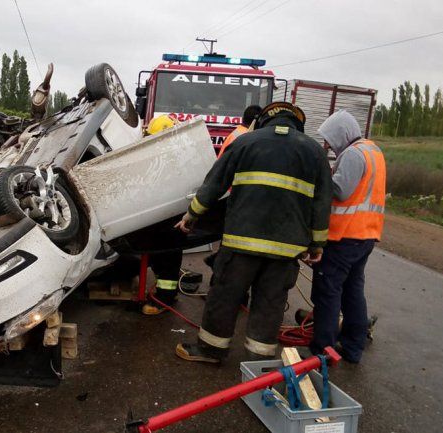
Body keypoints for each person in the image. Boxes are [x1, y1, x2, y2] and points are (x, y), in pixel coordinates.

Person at [173, 102, 332, 363]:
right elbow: (322, 203)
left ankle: (211, 351)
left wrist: (191, 216)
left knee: (225, 295)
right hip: (285, 250)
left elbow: (214, 184)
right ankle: (258, 362)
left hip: (241, 245)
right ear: (297, 124)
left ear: (263, 120)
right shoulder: (314, 153)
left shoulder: (246, 142)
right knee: (270, 303)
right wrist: (317, 244)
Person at [309, 110, 386, 364]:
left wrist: (319, 178)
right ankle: (353, 348)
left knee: (328, 292)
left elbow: (341, 190)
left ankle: (323, 352)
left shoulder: (353, 154)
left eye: (330, 139)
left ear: (342, 134)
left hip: (344, 237)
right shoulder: (372, 151)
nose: (328, 144)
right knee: (352, 292)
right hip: (365, 236)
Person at [140, 115, 199, 315]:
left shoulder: (175, 158)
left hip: (172, 219)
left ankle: (164, 300)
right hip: (163, 217)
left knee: (168, 259)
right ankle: (164, 291)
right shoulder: (175, 155)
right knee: (162, 258)